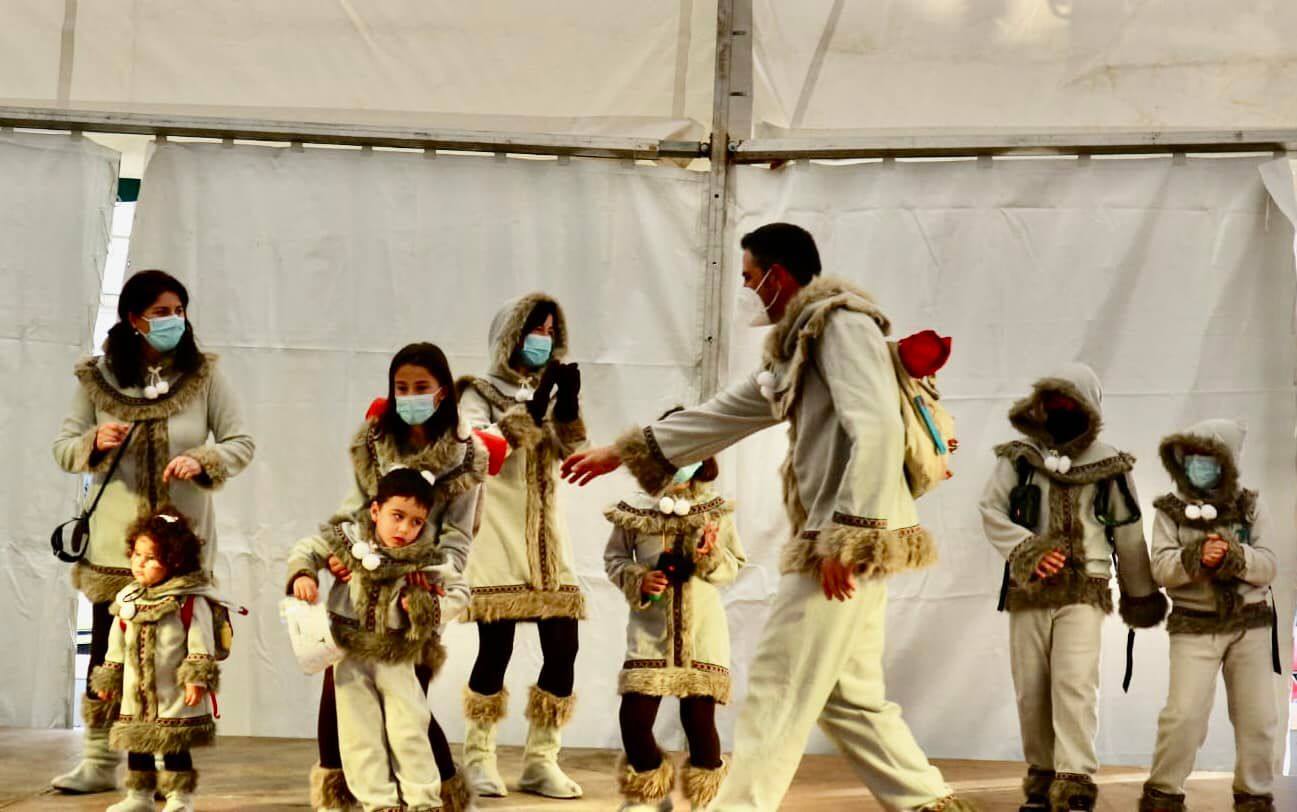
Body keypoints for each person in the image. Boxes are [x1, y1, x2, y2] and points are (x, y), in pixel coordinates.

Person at [563, 223, 975, 811]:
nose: (748, 288)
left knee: (780, 687)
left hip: (842, 542)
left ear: (778, 276)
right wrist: (624, 451)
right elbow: (729, 411)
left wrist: (844, 539)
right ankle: (927, 803)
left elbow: (879, 428)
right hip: (850, 538)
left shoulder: (840, 324)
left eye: (750, 277)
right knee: (849, 701)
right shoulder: (808, 339)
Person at [51, 269, 254, 794]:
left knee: (174, 656)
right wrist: (96, 439)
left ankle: (167, 776)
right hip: (117, 549)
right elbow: (64, 447)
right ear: (133, 318)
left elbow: (241, 442)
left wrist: (204, 458)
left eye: (179, 310)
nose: (173, 320)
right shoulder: (98, 379)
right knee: (108, 654)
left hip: (181, 548)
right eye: (161, 311)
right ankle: (99, 760)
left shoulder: (205, 376)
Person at [979, 363, 1166, 812]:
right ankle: (1041, 777)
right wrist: (1029, 549)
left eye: (1069, 403)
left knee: (1075, 682)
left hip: (1087, 586)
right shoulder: (1019, 457)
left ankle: (1075, 778)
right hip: (1029, 588)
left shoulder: (1110, 463)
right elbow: (991, 510)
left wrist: (1140, 594)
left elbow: (1128, 531)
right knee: (1030, 684)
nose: (1060, 411)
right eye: (1053, 403)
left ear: (1088, 407)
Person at [307, 343, 482, 812]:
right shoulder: (375, 441)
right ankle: (341, 792)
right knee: (339, 689)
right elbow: (356, 509)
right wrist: (342, 554)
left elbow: (459, 537)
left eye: (420, 387)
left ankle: (439, 792)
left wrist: (431, 584)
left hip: (420, 592)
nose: (410, 396)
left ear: (442, 391)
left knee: (409, 701)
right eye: (401, 387)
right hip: (364, 584)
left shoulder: (466, 456)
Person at [457, 293, 587, 799]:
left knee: (564, 646)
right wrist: (528, 410)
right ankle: (478, 757)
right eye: (536, 329)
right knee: (498, 647)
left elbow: (567, 451)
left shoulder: (547, 389)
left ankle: (541, 759)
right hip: (500, 534)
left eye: (552, 330)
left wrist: (566, 405)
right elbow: (477, 452)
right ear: (511, 334)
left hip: (547, 539)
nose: (544, 340)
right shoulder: (478, 391)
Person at [287, 468, 471, 812]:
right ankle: (378, 802)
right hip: (349, 654)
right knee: (360, 733)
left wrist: (427, 604)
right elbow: (307, 548)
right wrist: (303, 573)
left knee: (410, 727)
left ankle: (423, 800)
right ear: (375, 511)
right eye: (397, 516)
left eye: (416, 522)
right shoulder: (348, 540)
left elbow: (460, 592)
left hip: (397, 655)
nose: (404, 529)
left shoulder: (425, 557)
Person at [603, 423, 745, 811]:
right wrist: (638, 579)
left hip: (702, 632)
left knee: (699, 723)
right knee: (634, 720)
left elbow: (734, 566)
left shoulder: (716, 510)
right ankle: (649, 795)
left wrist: (709, 555)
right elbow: (614, 559)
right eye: (670, 450)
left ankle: (705, 799)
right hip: (650, 630)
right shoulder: (634, 508)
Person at [1139, 420, 1279, 812]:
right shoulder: (1171, 509)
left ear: (1229, 461)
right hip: (1194, 624)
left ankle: (1254, 795)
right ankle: (1163, 793)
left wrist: (1234, 556)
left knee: (1259, 718)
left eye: (1209, 457)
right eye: (1193, 457)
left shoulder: (1251, 505)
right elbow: (1162, 569)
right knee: (1183, 715)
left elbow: (1268, 565)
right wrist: (1196, 557)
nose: (1199, 465)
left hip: (1249, 623)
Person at [93, 511, 225, 812]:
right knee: (138, 743)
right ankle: (139, 796)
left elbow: (199, 642)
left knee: (174, 744)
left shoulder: (188, 599)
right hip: (135, 692)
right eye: (137, 554)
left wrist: (196, 677)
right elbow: (116, 644)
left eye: (150, 557)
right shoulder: (128, 598)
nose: (139, 562)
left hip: (173, 691)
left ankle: (180, 797)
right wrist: (110, 677)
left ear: (175, 560)